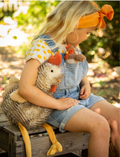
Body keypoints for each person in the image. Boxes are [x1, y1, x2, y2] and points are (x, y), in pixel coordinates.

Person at [19, 1, 120, 157]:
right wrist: (57, 104)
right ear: (73, 27)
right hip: (53, 104)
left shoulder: (70, 43)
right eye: (88, 32)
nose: (87, 37)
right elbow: (25, 88)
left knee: (117, 117)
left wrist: (85, 83)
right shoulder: (43, 46)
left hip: (78, 97)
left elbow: (77, 71)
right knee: (100, 125)